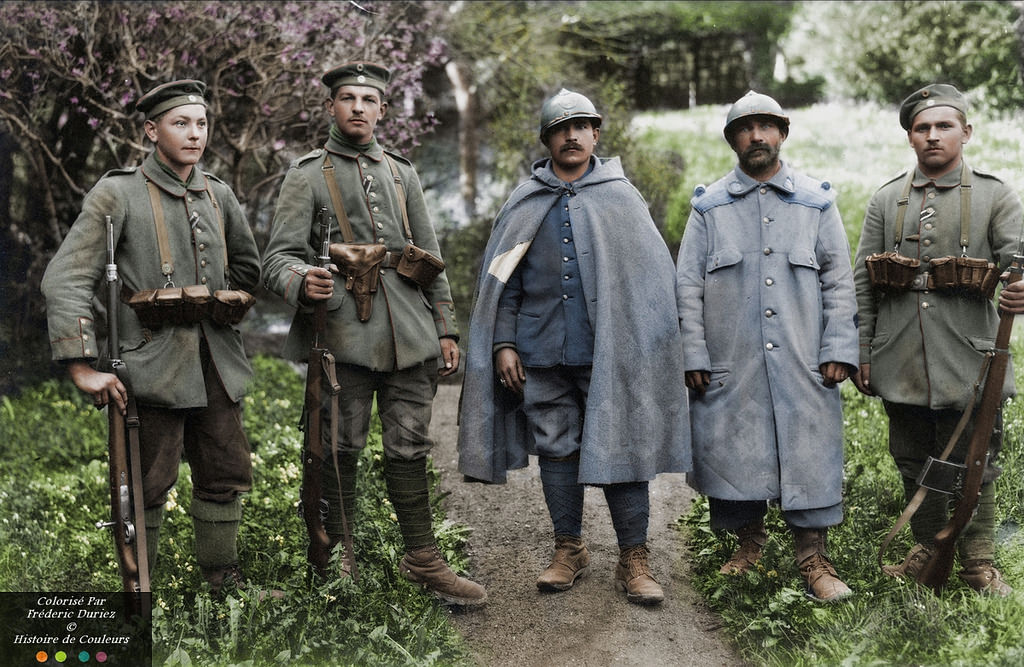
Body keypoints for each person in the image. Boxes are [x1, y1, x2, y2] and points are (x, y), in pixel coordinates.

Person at [261, 62, 486, 606]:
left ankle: (423, 558)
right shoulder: (308, 174)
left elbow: (429, 256)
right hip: (341, 337)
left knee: (410, 446)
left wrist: (446, 328)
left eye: (369, 99)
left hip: (409, 335)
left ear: (384, 109)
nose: (358, 107)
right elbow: (275, 259)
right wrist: (302, 280)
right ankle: (333, 561)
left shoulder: (401, 172)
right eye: (347, 98)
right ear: (331, 108)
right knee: (338, 450)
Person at [457, 88, 690, 605]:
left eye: (581, 126)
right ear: (546, 140)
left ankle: (634, 557)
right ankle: (569, 548)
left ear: (595, 134)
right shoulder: (525, 200)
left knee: (622, 447)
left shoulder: (622, 198)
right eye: (561, 128)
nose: (571, 135)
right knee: (557, 449)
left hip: (610, 355)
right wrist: (502, 342)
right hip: (541, 354)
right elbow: (504, 283)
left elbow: (650, 284)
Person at [40, 80, 262, 592]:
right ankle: (140, 590)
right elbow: (67, 279)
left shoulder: (218, 194)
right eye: (180, 123)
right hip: (149, 364)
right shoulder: (116, 193)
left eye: (201, 123)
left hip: (215, 364)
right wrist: (81, 366)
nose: (194, 134)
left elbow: (247, 269)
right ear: (150, 129)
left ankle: (222, 580)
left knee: (225, 470)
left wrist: (225, 302)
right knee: (145, 483)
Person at [675, 91, 859, 603]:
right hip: (732, 361)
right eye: (745, 128)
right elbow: (686, 286)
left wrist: (839, 345)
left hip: (804, 360)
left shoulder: (816, 202)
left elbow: (839, 281)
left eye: (767, 126)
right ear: (732, 139)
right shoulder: (708, 208)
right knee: (733, 448)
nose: (756, 136)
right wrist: (694, 353)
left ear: (783, 133)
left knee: (810, 450)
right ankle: (747, 545)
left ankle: (814, 558)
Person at [852, 83, 1024, 596]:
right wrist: (864, 351)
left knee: (978, 459)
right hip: (900, 352)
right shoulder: (887, 199)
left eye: (944, 126)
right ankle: (927, 548)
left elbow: (1019, 259)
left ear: (965, 132)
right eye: (922, 128)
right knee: (912, 456)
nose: (933, 136)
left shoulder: (995, 194)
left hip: (970, 354)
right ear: (909, 137)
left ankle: (978, 563)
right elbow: (863, 281)